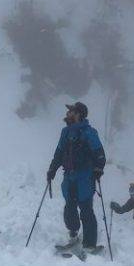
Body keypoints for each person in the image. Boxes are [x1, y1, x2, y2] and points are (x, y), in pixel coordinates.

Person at [47, 102, 106, 252]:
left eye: (71, 111)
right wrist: (52, 169)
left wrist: (98, 168)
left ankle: (89, 243)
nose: (68, 113)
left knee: (86, 210)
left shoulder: (89, 132)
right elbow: (59, 153)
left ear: (78, 114)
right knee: (69, 209)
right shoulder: (65, 132)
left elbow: (99, 153)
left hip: (85, 177)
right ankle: (73, 235)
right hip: (69, 177)